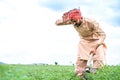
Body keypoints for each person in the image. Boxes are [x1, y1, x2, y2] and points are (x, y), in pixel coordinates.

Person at [55, 8, 107, 78]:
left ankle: (96, 76)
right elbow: (57, 23)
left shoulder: (91, 22)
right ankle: (80, 77)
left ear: (80, 18)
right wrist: (64, 19)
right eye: (72, 21)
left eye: (75, 21)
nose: (73, 23)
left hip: (96, 40)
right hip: (84, 41)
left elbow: (103, 34)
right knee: (80, 62)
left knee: (99, 60)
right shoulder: (71, 20)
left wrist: (96, 47)